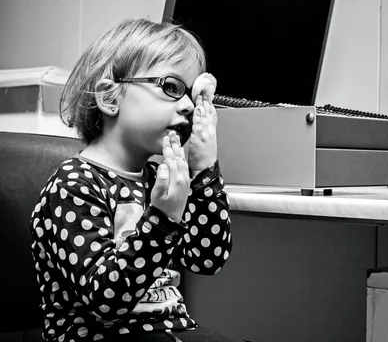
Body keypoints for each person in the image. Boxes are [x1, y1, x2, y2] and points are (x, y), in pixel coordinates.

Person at [29, 18, 238, 342]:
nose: (187, 105)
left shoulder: (158, 179)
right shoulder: (74, 185)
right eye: (171, 87)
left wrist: (204, 169)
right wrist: (162, 221)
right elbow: (106, 301)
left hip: (170, 332)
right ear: (111, 98)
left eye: (191, 95)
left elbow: (207, 258)